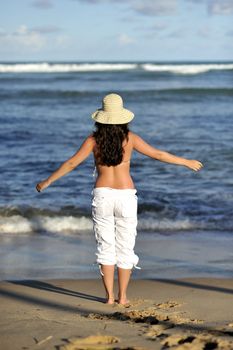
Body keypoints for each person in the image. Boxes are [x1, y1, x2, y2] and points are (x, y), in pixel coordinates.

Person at [36, 93, 203, 305]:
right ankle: (123, 297)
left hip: (103, 195)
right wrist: (186, 161)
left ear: (101, 117)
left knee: (105, 246)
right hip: (125, 196)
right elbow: (158, 154)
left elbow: (71, 164)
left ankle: (109, 298)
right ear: (124, 117)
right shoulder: (130, 138)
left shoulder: (93, 140)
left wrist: (48, 181)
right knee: (125, 247)